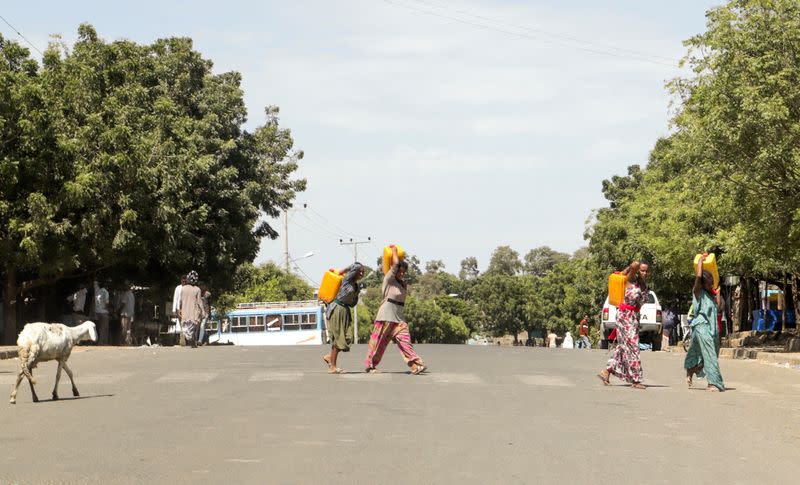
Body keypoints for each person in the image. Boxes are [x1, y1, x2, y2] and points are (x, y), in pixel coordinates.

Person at [365, 246, 427, 374]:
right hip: (386, 315)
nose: (402, 273)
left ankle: (416, 364)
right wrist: (394, 252)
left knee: (405, 341)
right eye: (400, 271)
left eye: (404, 272)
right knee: (378, 343)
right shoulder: (389, 279)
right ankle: (370, 365)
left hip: (398, 317)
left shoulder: (402, 284)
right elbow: (396, 264)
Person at [598, 261, 647, 389]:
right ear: (637, 271)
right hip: (625, 317)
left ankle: (607, 371)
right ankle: (636, 379)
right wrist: (634, 267)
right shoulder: (629, 279)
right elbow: (634, 265)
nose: (644, 273)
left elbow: (641, 303)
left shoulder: (642, 285)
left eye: (646, 271)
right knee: (633, 347)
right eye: (642, 270)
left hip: (634, 318)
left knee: (623, 348)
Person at [684, 253, 725, 392]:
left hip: (713, 329)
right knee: (710, 355)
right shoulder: (698, 292)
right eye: (709, 283)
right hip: (701, 326)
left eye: (713, 282)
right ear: (702, 284)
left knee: (711, 355)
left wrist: (718, 293)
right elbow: (698, 278)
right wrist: (700, 262)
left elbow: (719, 308)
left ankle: (692, 369)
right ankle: (713, 383)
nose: (711, 284)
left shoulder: (711, 296)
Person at [322, 263, 365, 373]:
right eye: (359, 271)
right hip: (336, 308)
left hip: (345, 310)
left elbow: (352, 303)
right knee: (338, 338)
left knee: (347, 337)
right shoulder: (346, 280)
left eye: (362, 272)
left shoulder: (356, 286)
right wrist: (342, 271)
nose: (361, 273)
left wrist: (356, 294)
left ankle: (329, 357)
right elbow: (354, 266)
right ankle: (333, 367)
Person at [179, 271, 207, 349]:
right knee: (194, 328)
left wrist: (180, 310)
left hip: (185, 312)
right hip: (193, 313)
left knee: (186, 328)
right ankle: (193, 340)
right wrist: (203, 312)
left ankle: (186, 337)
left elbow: (180, 301)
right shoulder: (197, 289)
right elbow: (199, 302)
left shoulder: (183, 289)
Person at [92, 279, 110, 345]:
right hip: (104, 312)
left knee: (100, 327)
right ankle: (101, 342)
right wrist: (108, 309)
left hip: (98, 312)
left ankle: (102, 342)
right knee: (104, 328)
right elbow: (107, 303)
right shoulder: (106, 292)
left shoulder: (97, 291)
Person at [172, 275, 187, 345]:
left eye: (185, 281)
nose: (184, 282)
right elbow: (175, 298)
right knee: (181, 323)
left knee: (186, 323)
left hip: (186, 308)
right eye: (183, 281)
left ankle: (185, 336)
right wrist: (174, 309)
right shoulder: (178, 288)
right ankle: (182, 337)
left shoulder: (188, 288)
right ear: (181, 281)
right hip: (179, 308)